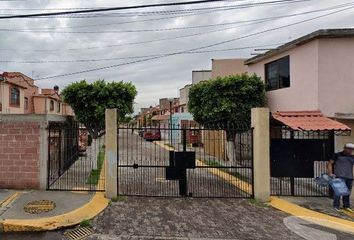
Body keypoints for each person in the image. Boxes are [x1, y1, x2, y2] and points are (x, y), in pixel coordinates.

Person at [327, 143, 354, 212]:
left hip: (349, 177)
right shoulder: (337, 155)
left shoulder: (352, 157)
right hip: (339, 176)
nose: (350, 150)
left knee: (347, 192)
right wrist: (330, 173)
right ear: (344, 148)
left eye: (352, 149)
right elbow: (330, 163)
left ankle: (346, 206)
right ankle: (336, 205)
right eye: (349, 149)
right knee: (338, 192)